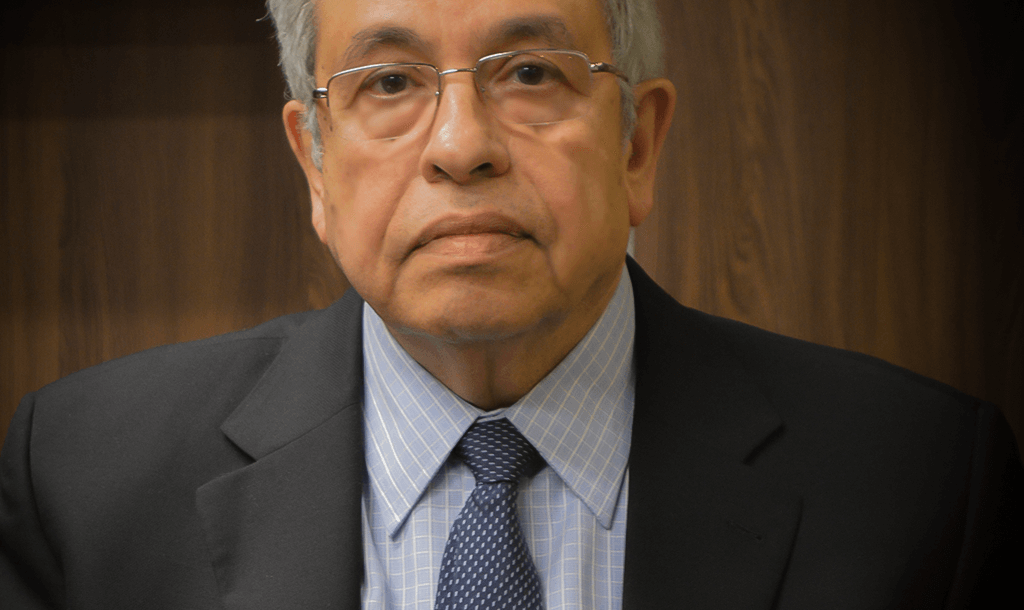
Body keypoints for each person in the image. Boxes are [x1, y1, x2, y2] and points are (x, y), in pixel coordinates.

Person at [1, 0, 1021, 608]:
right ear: (313, 161)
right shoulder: (84, 485)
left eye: (530, 72)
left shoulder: (921, 488)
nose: (461, 146)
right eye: (388, 83)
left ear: (637, 144)